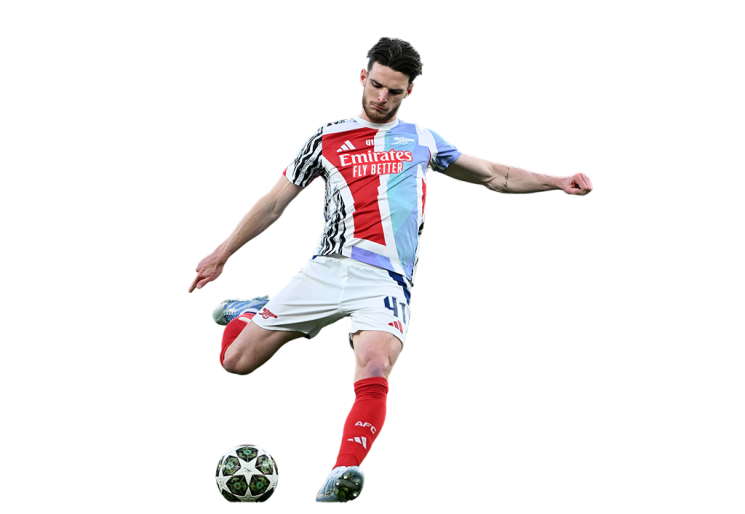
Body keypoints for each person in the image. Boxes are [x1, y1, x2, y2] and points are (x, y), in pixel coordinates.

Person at [188, 36, 593, 504]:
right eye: (376, 85)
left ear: (409, 92)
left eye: (394, 91)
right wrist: (222, 254)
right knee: (235, 363)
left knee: (376, 365)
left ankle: (344, 469)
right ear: (362, 77)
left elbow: (493, 176)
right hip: (327, 268)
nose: (382, 98)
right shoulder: (326, 138)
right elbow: (275, 203)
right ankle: (252, 310)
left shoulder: (422, 140)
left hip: (386, 280)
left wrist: (556, 181)